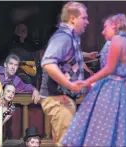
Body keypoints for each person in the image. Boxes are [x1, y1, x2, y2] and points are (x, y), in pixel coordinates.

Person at [62, 13, 126, 147]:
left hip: (112, 89)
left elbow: (109, 69)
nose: (102, 31)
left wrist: (86, 81)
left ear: (115, 26)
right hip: (118, 89)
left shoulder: (118, 40)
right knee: (114, 128)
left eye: (105, 27)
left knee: (101, 127)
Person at [39, 2, 89, 146]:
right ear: (73, 18)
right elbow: (48, 63)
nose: (87, 21)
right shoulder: (63, 37)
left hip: (62, 98)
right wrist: (70, 85)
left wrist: (88, 56)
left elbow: (67, 58)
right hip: (57, 98)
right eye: (84, 18)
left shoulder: (71, 37)